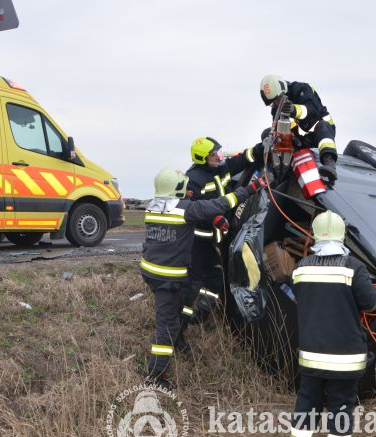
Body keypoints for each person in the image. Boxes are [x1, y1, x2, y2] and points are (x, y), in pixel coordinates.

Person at [141, 167, 268, 389]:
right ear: (176, 189)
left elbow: (197, 211)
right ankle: (155, 377)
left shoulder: (152, 207)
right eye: (183, 188)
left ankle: (178, 333)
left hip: (153, 272)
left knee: (177, 310)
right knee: (166, 328)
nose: (187, 191)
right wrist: (251, 188)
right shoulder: (185, 210)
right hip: (167, 279)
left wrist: (212, 218)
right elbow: (222, 203)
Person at [287, 210, 376, 437]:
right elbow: (371, 303)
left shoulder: (300, 268)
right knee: (341, 405)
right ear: (342, 236)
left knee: (307, 400)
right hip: (345, 357)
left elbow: (300, 297)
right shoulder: (354, 268)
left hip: (311, 354)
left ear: (315, 236)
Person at [184, 137, 264, 325]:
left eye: (219, 153)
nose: (219, 157)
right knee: (192, 284)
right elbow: (191, 208)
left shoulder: (222, 169)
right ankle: (179, 324)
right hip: (197, 242)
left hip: (213, 239)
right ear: (203, 158)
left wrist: (262, 147)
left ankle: (200, 316)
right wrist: (213, 219)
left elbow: (244, 159)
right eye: (215, 155)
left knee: (214, 279)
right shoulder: (192, 180)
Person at [259, 74, 337, 194]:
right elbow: (277, 129)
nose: (276, 103)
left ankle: (329, 164)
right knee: (268, 135)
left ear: (283, 90)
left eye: (277, 99)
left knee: (322, 126)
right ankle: (272, 174)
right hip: (299, 139)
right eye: (273, 102)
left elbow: (311, 111)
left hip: (319, 133)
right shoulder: (276, 108)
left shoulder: (301, 89)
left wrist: (293, 110)